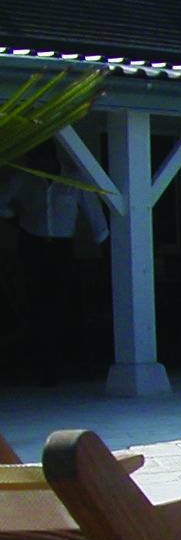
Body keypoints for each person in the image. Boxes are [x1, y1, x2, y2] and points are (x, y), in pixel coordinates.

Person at [0, 141, 109, 383]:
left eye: (38, 158)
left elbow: (95, 216)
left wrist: (106, 248)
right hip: (32, 244)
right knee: (36, 304)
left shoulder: (73, 178)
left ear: (50, 157)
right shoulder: (23, 178)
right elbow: (2, 202)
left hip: (62, 247)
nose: (35, 164)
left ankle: (69, 362)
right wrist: (16, 221)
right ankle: (43, 366)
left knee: (64, 302)